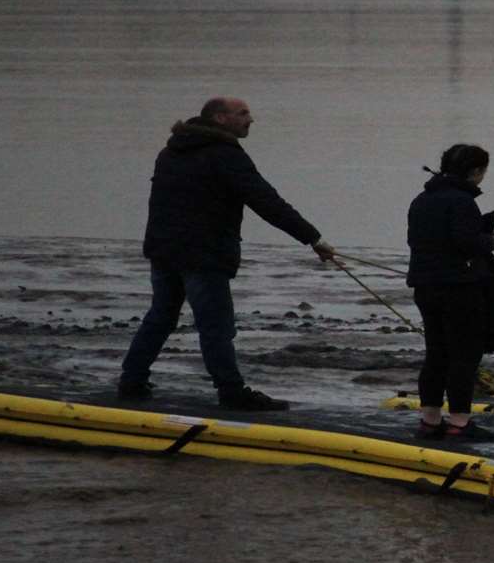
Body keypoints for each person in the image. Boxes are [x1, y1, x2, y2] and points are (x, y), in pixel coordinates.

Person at [118, 97, 337, 410]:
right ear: (220, 118)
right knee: (216, 326)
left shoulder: (171, 151)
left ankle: (131, 380)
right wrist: (312, 238)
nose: (251, 119)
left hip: (165, 250)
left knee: (161, 317)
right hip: (203, 253)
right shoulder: (224, 154)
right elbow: (265, 200)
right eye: (243, 113)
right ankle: (231, 392)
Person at [406, 144, 494, 439]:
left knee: (436, 353)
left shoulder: (422, 199)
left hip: (424, 286)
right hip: (459, 287)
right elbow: (465, 242)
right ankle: (459, 422)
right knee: (464, 355)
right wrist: (488, 241)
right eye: (483, 170)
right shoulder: (462, 202)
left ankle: (430, 420)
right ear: (475, 172)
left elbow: (415, 240)